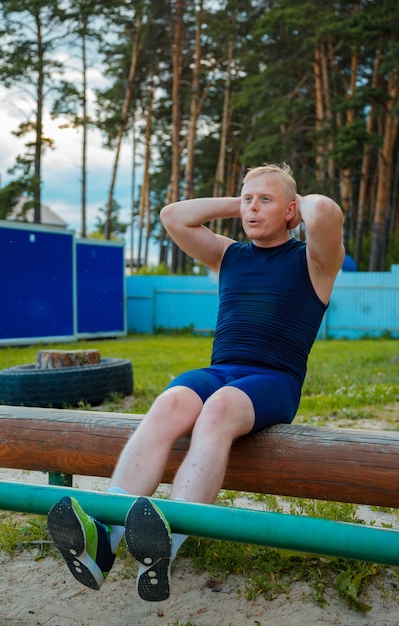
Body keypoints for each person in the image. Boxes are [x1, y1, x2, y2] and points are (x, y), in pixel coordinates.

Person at [47, 163, 345, 603]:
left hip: (273, 380)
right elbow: (173, 215)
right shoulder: (229, 255)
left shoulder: (314, 261)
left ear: (291, 212)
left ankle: (170, 538)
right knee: (169, 403)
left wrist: (290, 203)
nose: (252, 208)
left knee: (220, 407)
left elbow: (328, 212)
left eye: (265, 200)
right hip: (220, 369)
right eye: (247, 199)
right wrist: (245, 204)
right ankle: (105, 541)